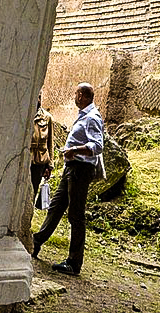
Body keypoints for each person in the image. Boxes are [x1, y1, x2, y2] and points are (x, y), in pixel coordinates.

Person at [31, 81, 104, 276]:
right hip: (72, 167)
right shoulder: (85, 116)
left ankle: (74, 262)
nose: (74, 97)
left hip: (81, 168)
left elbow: (97, 145)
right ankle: (36, 242)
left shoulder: (92, 118)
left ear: (82, 96)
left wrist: (73, 150)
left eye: (76, 94)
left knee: (76, 215)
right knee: (56, 206)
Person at [31, 95, 53, 203]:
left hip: (39, 162)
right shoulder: (24, 114)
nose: (38, 100)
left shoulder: (47, 118)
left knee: (33, 192)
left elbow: (50, 143)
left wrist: (50, 166)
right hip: (25, 160)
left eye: (40, 97)